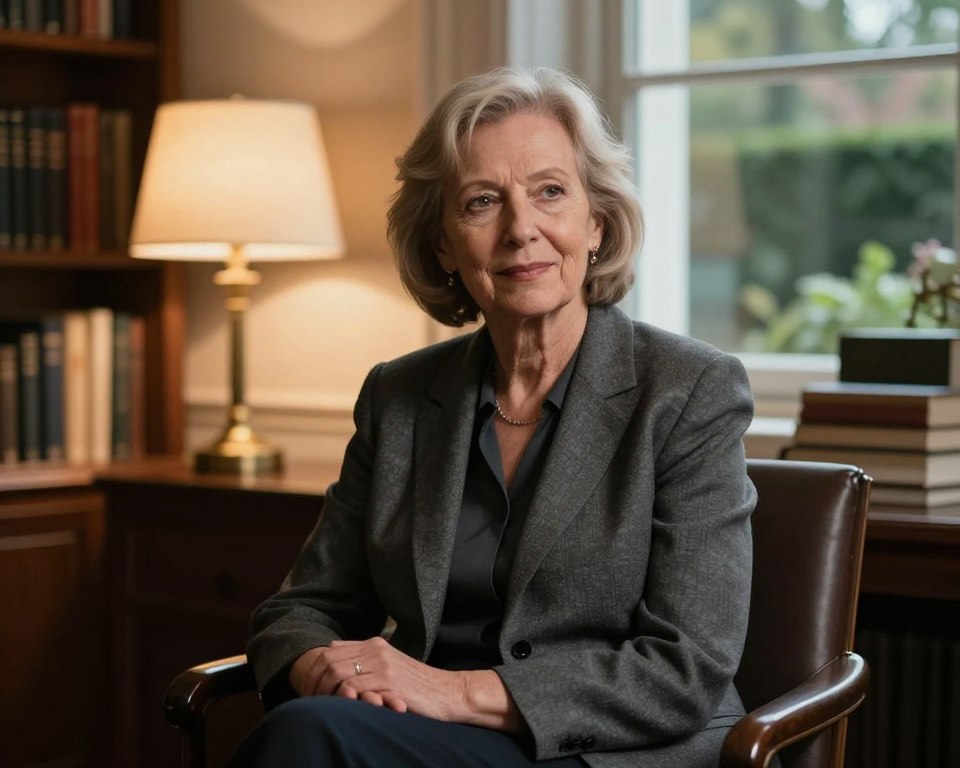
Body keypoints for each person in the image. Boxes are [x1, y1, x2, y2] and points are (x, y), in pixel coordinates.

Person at [228, 66, 757, 768]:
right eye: (482, 202)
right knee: (314, 727)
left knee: (310, 739)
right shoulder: (400, 397)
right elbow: (297, 612)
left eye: (550, 192)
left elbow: (685, 667)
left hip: (613, 752)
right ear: (444, 245)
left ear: (595, 223)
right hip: (428, 739)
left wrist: (452, 691)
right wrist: (322, 669)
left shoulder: (691, 392)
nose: (521, 230)